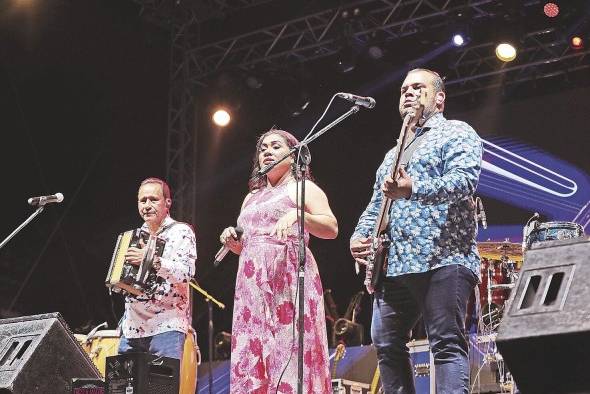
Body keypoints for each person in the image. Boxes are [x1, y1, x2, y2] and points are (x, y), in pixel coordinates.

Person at [350, 68, 483, 394]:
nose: (408, 92)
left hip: (443, 255)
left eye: (418, 87)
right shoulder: (391, 155)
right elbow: (375, 204)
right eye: (404, 89)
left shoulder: (456, 132)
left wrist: (414, 188)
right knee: (385, 343)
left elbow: (464, 181)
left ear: (439, 98)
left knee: (446, 343)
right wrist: (359, 235)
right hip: (394, 264)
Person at [220, 129, 338, 393]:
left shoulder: (302, 188)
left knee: (289, 348)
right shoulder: (250, 197)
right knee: (254, 349)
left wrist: (299, 216)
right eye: (262, 149)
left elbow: (331, 228)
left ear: (293, 155)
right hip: (252, 288)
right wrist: (234, 242)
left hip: (288, 281)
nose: (267, 152)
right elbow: (251, 246)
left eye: (275, 146)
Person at [118, 177, 197, 360]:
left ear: (167, 202)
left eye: (153, 199)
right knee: (122, 389)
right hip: (132, 329)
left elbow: (186, 273)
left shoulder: (181, 231)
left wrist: (152, 260)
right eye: (142, 200)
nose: (147, 205)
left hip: (166, 327)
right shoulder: (135, 237)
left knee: (161, 389)